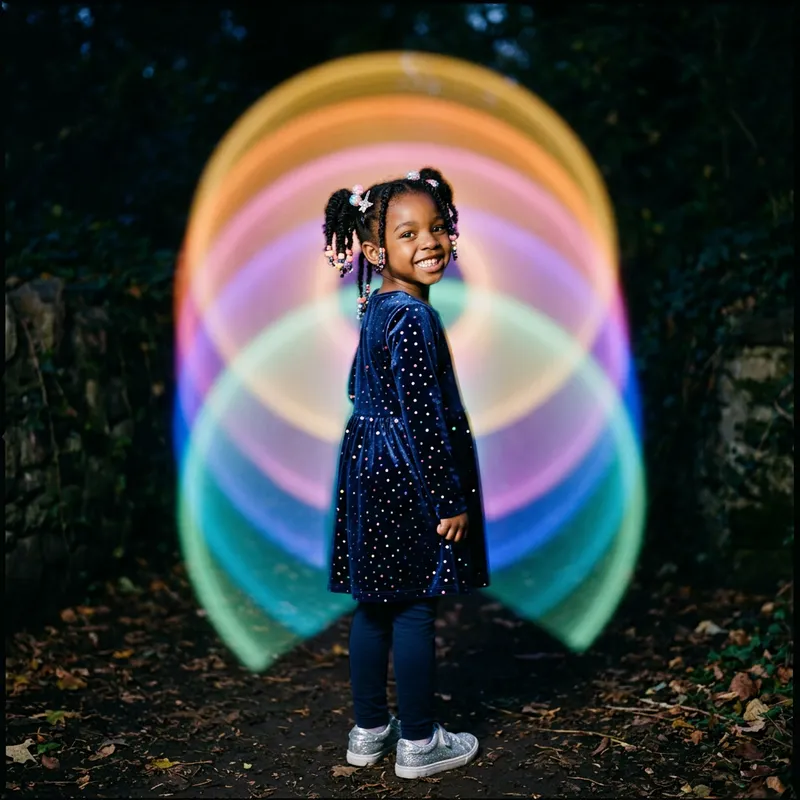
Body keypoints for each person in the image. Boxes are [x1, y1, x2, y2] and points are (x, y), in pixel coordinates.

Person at [323, 167, 490, 779]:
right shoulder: (415, 318)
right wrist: (448, 498)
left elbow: (357, 388)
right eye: (408, 233)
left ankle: (368, 731)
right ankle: (419, 741)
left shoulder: (376, 307)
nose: (430, 242)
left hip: (368, 468)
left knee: (373, 607)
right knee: (415, 607)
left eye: (437, 227)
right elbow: (422, 419)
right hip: (406, 474)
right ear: (375, 252)